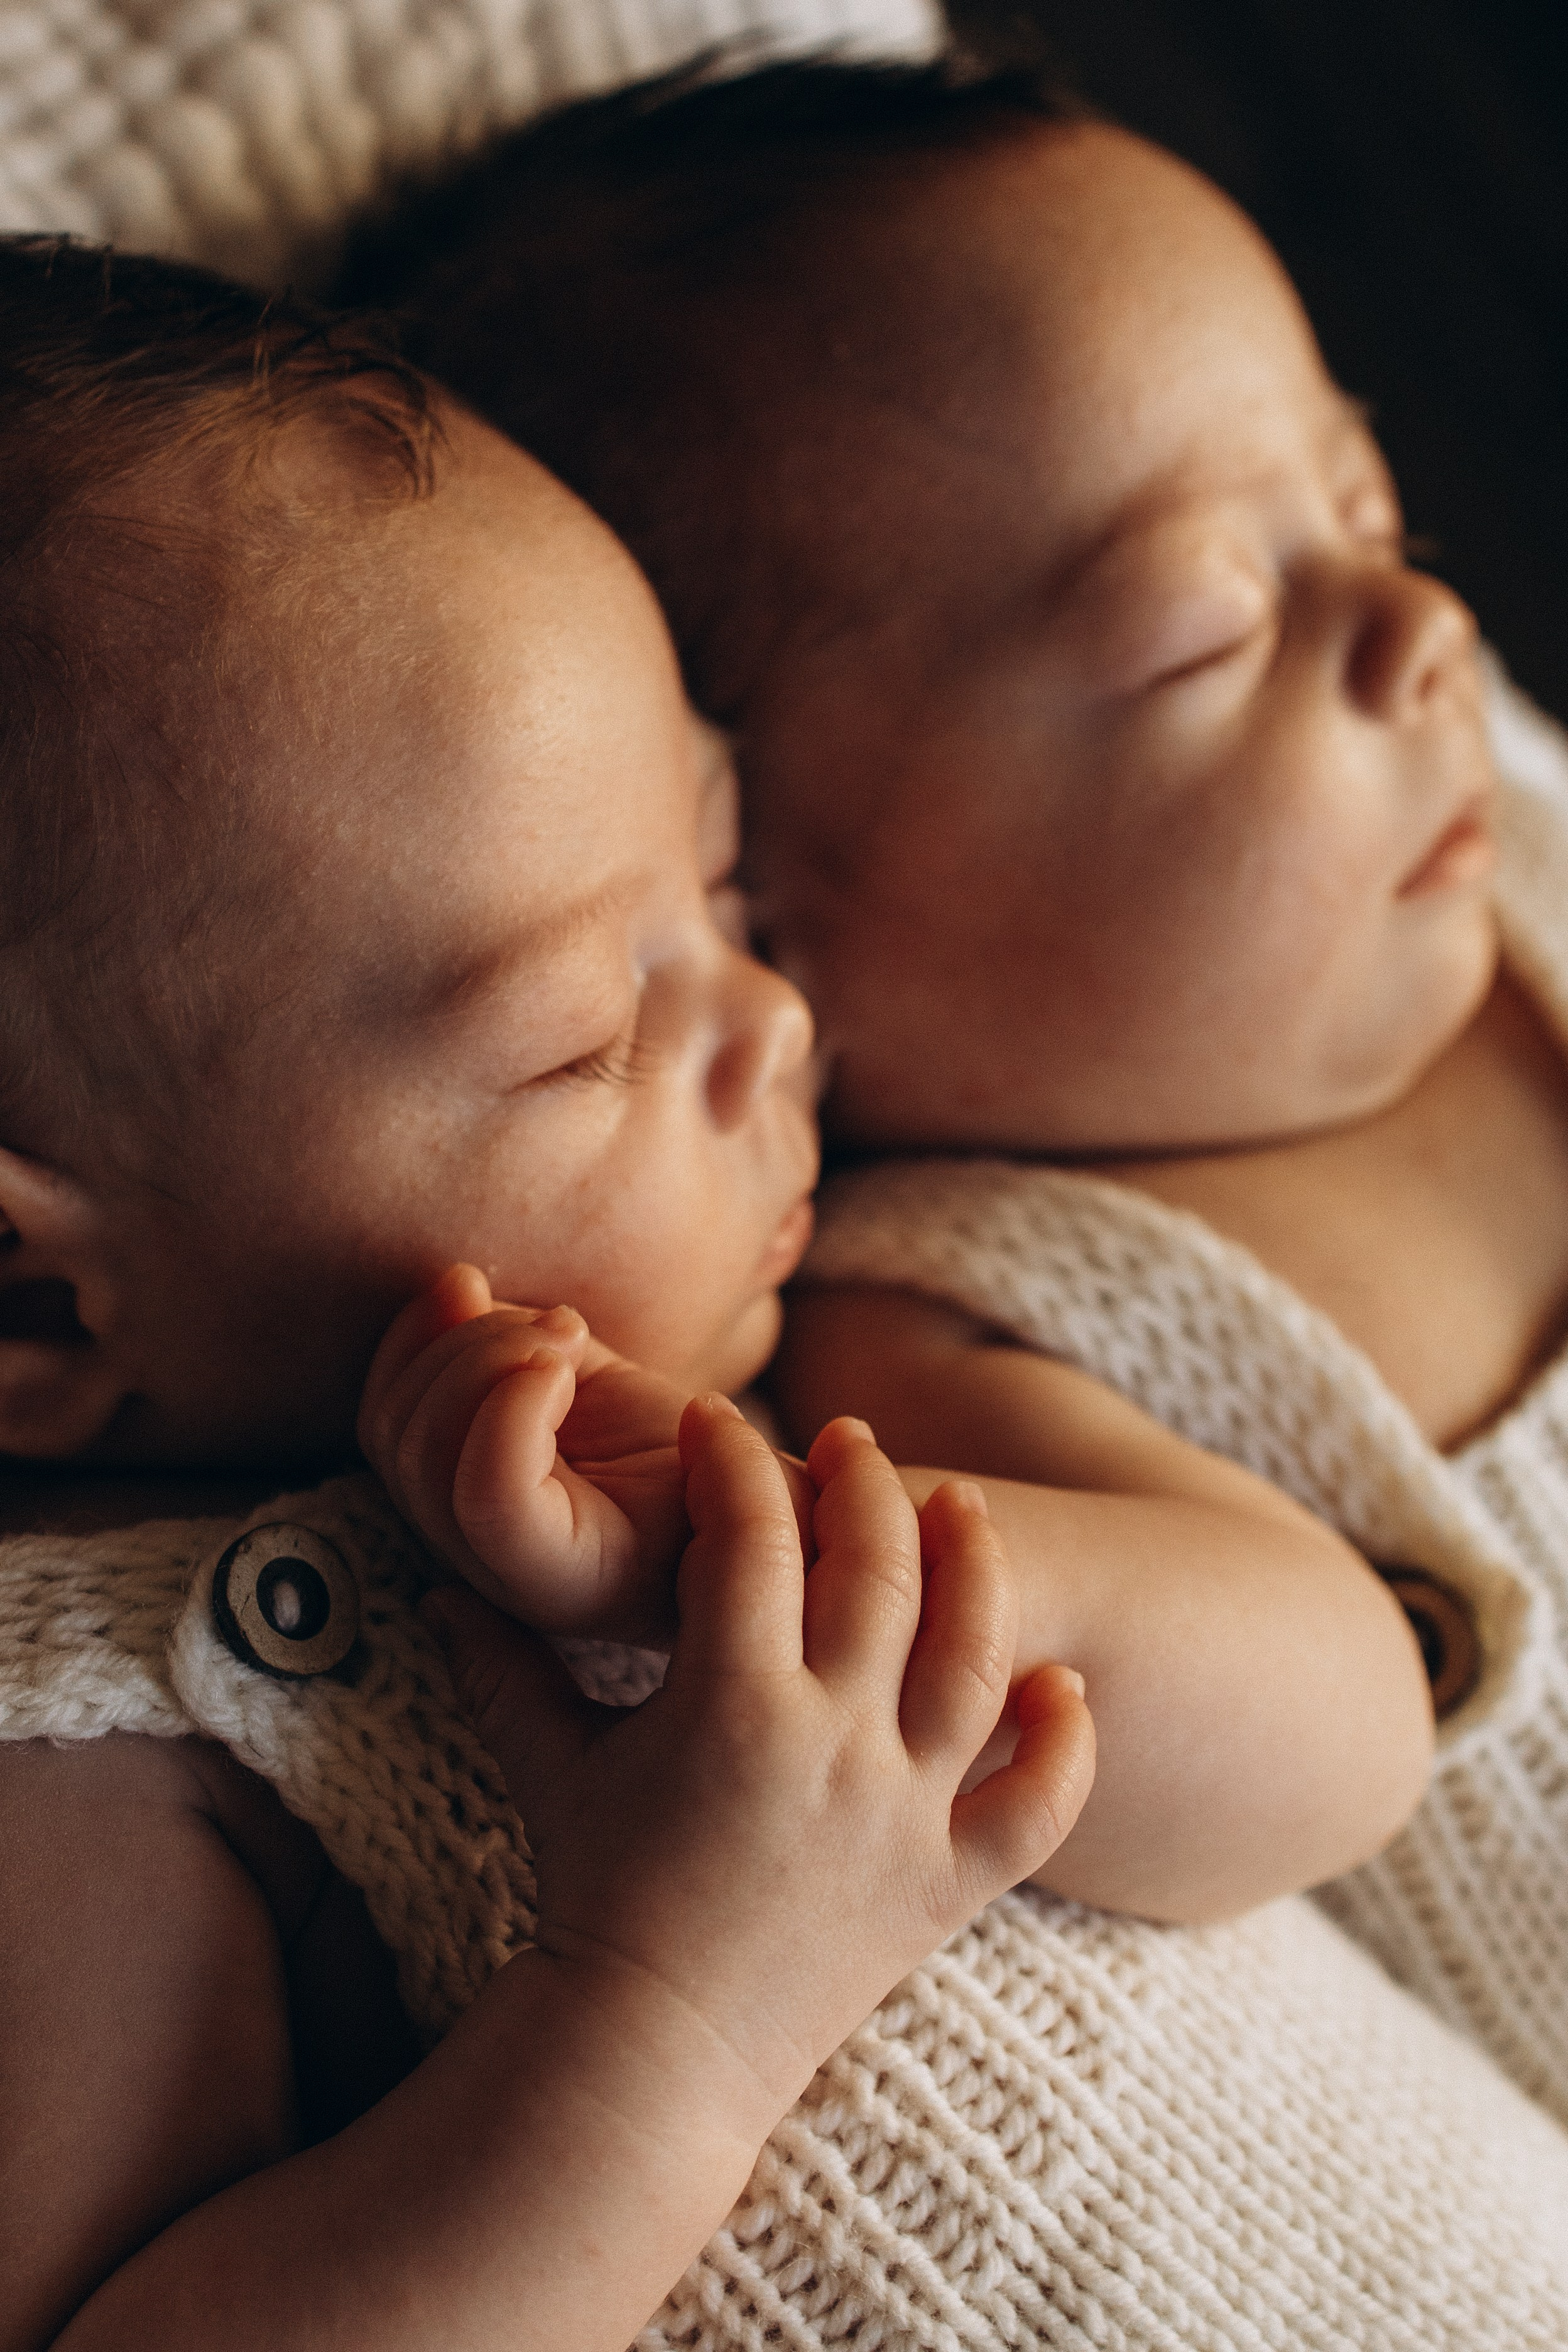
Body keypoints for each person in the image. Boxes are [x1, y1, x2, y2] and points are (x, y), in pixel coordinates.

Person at [0, 234, 1559, 2352]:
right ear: (36, 1311)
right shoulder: (84, 1745)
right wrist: (682, 2004)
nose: (771, 1021)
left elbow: (1344, 1736)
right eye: (579, 1037)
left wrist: (844, 1580)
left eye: (723, 888)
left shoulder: (788, 1425)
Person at [339, 45, 1568, 2156]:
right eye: (1209, 626)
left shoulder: (1494, 851)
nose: (1419, 626)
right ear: (773, 912)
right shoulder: (976, 1317)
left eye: (1366, 510)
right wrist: (776, 1559)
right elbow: (1315, 1738)